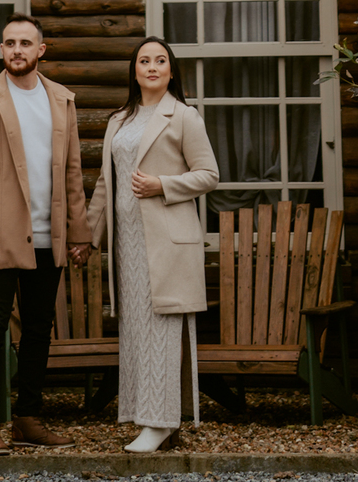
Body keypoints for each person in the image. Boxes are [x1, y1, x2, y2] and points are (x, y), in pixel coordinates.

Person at [0, 14, 92, 454]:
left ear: (40, 50)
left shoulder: (61, 100)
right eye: (9, 42)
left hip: (48, 236)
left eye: (25, 43)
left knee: (38, 329)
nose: (17, 50)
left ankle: (29, 418)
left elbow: (72, 173)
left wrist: (80, 231)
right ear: (1, 50)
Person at [87, 36, 219, 453]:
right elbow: (106, 184)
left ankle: (159, 422)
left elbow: (208, 175)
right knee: (137, 331)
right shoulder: (119, 120)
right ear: (135, 70)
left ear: (171, 70)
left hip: (166, 241)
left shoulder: (183, 116)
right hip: (126, 244)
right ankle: (146, 415)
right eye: (144, 60)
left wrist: (163, 184)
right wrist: (86, 237)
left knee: (162, 328)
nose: (152, 67)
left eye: (160, 60)